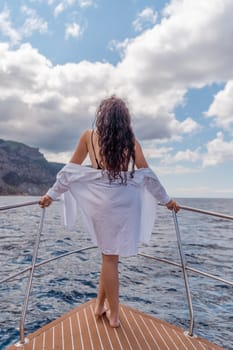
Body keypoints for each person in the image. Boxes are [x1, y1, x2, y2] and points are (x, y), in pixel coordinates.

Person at [39, 95, 180, 328]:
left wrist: (50, 195)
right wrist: (167, 200)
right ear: (124, 119)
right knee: (110, 256)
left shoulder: (88, 136)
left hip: (100, 202)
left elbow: (69, 172)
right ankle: (112, 315)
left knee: (109, 256)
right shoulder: (131, 140)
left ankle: (101, 308)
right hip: (125, 202)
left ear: (102, 117)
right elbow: (148, 175)